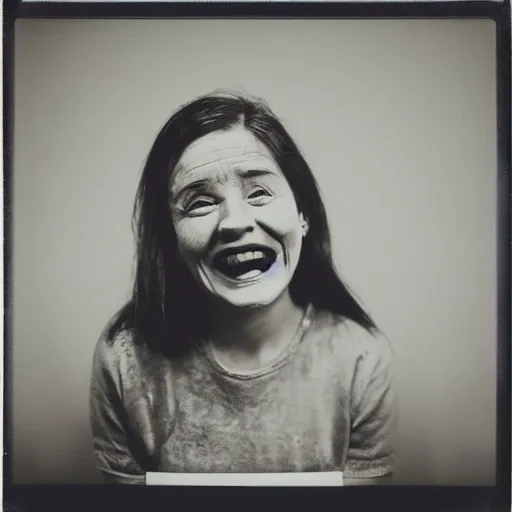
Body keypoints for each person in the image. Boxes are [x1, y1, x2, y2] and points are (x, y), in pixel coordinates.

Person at [89, 90, 397, 485]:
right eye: (200, 202)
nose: (235, 221)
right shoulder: (124, 361)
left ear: (302, 214)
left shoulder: (362, 360)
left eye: (259, 193)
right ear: (171, 238)